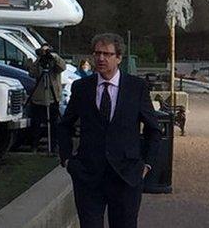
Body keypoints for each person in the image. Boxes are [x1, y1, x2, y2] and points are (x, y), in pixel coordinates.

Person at [58, 33, 162, 228]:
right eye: (97, 53)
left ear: (119, 58)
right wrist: (67, 159)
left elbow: (153, 130)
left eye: (107, 54)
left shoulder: (136, 88)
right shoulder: (82, 88)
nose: (101, 58)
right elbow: (65, 125)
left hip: (126, 176)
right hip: (88, 176)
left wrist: (146, 164)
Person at [27, 42, 66, 153]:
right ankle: (34, 145)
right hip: (39, 98)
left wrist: (53, 56)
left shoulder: (55, 62)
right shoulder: (39, 61)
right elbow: (32, 74)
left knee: (54, 123)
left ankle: (54, 146)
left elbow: (63, 66)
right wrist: (39, 58)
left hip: (53, 97)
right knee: (36, 124)